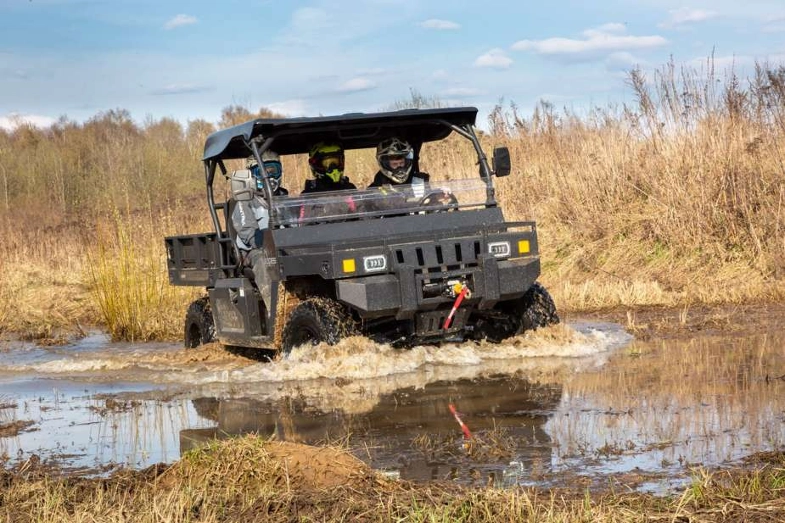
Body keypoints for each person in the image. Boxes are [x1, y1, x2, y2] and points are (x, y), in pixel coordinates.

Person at [231, 150, 287, 307]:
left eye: (272, 171)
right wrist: (268, 243)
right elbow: (248, 232)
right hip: (253, 250)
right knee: (264, 262)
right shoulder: (244, 200)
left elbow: (295, 223)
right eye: (262, 172)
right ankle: (276, 311)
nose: (268, 177)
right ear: (252, 175)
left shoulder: (284, 198)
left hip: (284, 247)